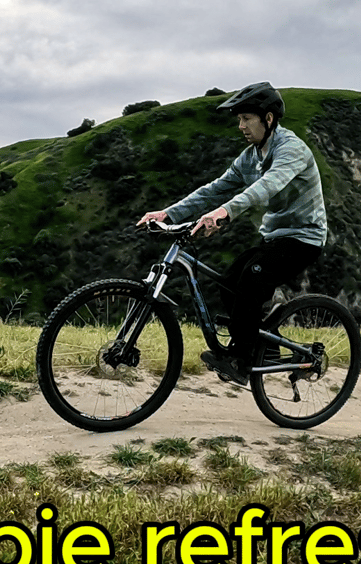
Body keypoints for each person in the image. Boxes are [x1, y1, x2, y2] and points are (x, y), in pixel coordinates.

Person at [137, 82, 327, 385]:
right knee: (228, 284)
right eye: (239, 119)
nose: (241, 126)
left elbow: (266, 187)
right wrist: (168, 213)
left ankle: (241, 360)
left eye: (246, 119)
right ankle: (267, 350)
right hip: (275, 237)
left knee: (252, 278)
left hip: (304, 238)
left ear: (268, 119)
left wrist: (224, 212)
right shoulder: (250, 157)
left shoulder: (291, 150)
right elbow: (214, 189)